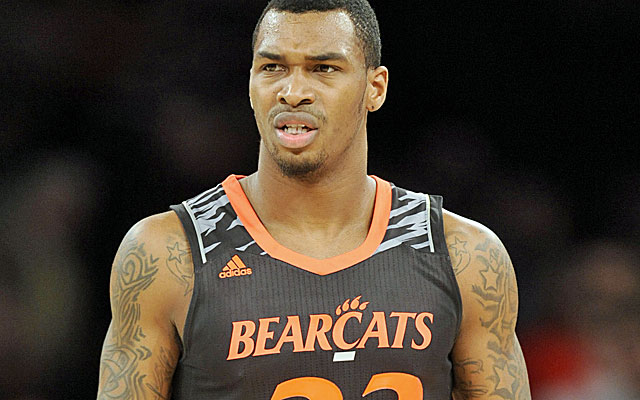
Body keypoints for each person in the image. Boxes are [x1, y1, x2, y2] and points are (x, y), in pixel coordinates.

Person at [97, 0, 531, 398]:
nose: (293, 91)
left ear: (375, 88)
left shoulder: (463, 255)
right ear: (250, 82)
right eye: (272, 68)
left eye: (323, 69)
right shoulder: (167, 252)